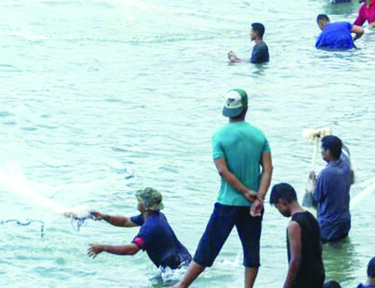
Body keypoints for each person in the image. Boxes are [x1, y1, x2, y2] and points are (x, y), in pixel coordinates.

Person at [176, 89, 272, 288]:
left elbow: (223, 171)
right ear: (245, 108)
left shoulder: (219, 136)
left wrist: (243, 191)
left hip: (227, 203)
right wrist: (259, 197)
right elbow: (268, 169)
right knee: (251, 250)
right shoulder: (259, 135)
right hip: (253, 206)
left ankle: (181, 286)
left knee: (207, 247)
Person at [78, 188, 191, 271]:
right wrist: (105, 216)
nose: (138, 201)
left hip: (177, 269)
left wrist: (103, 247)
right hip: (183, 262)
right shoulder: (154, 216)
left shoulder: (150, 226)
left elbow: (131, 250)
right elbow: (125, 221)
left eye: (140, 200)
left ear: (146, 205)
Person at [269, 184, 325, 288]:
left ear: (283, 202)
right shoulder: (311, 217)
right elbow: (320, 247)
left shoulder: (294, 225)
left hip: (303, 281)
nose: (279, 211)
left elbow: (295, 259)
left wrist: (287, 285)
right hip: (318, 275)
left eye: (278, 207)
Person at [309, 135, 353, 243]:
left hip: (328, 226)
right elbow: (344, 150)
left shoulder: (326, 174)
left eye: (322, 149)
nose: (321, 152)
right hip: (344, 222)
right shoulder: (346, 165)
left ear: (328, 151)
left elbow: (317, 197)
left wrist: (314, 181)